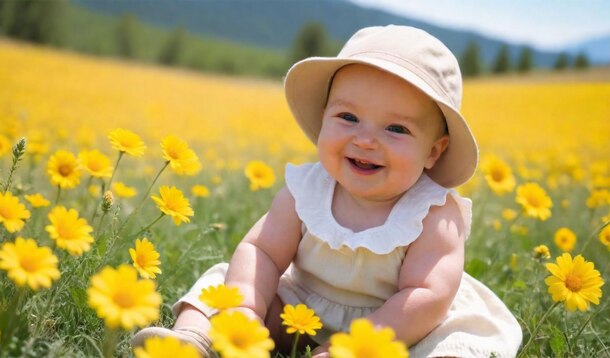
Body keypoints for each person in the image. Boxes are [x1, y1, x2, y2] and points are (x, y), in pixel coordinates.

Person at [132, 25, 522, 357]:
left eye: (396, 129)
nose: (365, 140)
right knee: (224, 284)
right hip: (299, 306)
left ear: (434, 152)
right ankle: (192, 340)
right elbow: (262, 251)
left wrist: (352, 347)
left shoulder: (434, 213)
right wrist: (248, 311)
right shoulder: (307, 190)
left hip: (393, 329)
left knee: (449, 342)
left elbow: (426, 297)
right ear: (323, 120)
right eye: (348, 117)